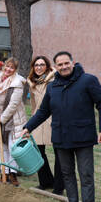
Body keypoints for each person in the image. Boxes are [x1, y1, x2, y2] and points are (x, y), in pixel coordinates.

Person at [22, 51, 101, 202]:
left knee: (86, 175)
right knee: (67, 173)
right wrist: (28, 127)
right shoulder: (52, 86)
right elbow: (43, 111)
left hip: (83, 136)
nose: (63, 67)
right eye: (60, 65)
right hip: (61, 136)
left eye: (66, 63)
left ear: (73, 62)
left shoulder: (88, 80)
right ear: (55, 67)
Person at [0, 57, 28, 186]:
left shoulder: (18, 82)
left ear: (15, 70)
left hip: (13, 119)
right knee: (2, 148)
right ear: (4, 66)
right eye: (7, 66)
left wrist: (2, 118)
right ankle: (3, 172)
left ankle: (13, 174)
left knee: (12, 148)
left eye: (12, 68)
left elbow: (13, 105)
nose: (8, 69)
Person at [26, 56, 61, 193]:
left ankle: (59, 186)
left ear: (47, 66)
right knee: (38, 153)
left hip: (54, 119)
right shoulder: (32, 83)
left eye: (42, 64)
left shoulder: (54, 80)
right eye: (36, 65)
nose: (39, 67)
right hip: (39, 120)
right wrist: (32, 119)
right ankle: (45, 181)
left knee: (59, 154)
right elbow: (33, 104)